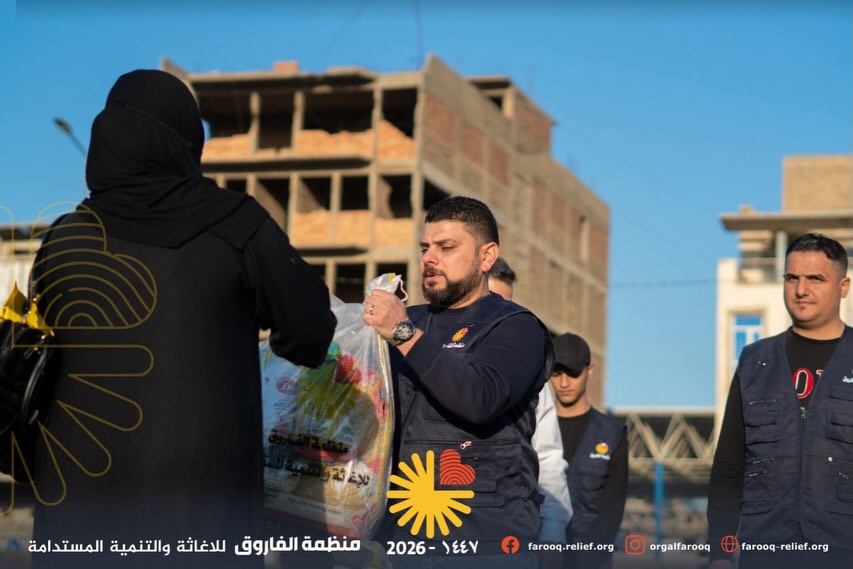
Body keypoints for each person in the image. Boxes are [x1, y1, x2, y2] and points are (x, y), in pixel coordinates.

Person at [27, 70, 336, 569]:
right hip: (199, 509)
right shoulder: (237, 225)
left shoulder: (62, 240)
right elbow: (309, 333)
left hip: (74, 504)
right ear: (186, 143)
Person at [364, 196, 553, 567]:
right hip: (397, 538)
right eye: (425, 248)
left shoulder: (515, 326)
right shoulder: (408, 319)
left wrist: (402, 334)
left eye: (446, 247)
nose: (429, 259)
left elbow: (480, 398)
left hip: (484, 542)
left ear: (487, 256)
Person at [708, 232, 853, 569]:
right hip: (765, 550)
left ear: (843, 287)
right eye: (791, 278)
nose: (801, 290)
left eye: (815, 279)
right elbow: (729, 465)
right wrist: (720, 553)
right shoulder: (754, 361)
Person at [488, 258, 574, 549]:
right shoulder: (432, 352)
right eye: (492, 302)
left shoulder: (531, 371)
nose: (501, 314)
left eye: (508, 305)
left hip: (508, 534)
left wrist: (553, 530)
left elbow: (548, 457)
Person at [549, 333, 627, 569]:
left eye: (572, 373)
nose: (564, 383)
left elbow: (612, 509)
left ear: (589, 370)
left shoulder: (612, 434)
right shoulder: (532, 430)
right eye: (556, 373)